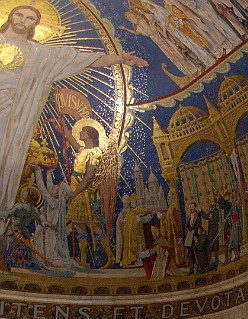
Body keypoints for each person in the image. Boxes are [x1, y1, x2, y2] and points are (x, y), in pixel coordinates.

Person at [0, 5, 148, 214]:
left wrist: (120, 59)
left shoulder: (39, 53)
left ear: (36, 24)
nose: (23, 20)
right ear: (10, 15)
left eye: (30, 18)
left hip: (15, 114)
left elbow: (80, 59)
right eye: (20, 15)